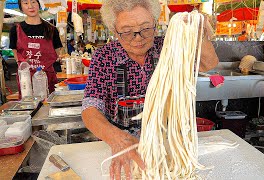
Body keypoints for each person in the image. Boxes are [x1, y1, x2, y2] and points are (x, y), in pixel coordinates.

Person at [81, 0, 219, 179]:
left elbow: (209, 64)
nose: (137, 38)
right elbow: (90, 109)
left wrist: (198, 32)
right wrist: (116, 138)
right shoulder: (104, 57)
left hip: (168, 146)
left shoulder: (169, 47)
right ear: (115, 31)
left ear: (155, 24)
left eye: (146, 29)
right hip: (122, 149)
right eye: (127, 32)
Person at [9, 0, 62, 94]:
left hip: (47, 79)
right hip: (26, 80)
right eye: (25, 3)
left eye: (33, 2)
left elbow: (57, 54)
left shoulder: (51, 30)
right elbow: (17, 58)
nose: (30, 6)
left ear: (39, 4)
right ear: (21, 7)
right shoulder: (15, 30)